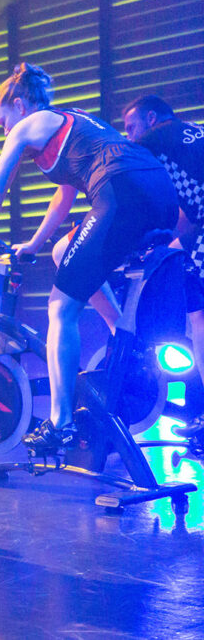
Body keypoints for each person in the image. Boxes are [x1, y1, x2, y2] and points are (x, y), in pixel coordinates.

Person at [0, 63, 178, 453]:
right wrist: (33, 244)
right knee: (65, 251)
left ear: (18, 103)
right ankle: (125, 338)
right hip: (159, 193)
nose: (5, 131)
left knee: (61, 310)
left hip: (122, 192)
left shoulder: (30, 124)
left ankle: (59, 424)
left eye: (2, 122)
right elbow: (63, 199)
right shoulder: (73, 123)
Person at [122, 94, 204, 436]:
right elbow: (188, 209)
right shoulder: (191, 135)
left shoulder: (152, 141)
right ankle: (197, 415)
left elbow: (126, 185)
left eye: (131, 128)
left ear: (152, 119)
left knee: (198, 320)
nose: (129, 137)